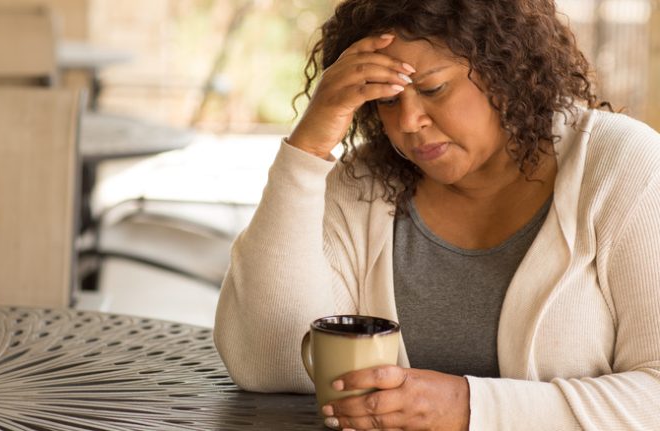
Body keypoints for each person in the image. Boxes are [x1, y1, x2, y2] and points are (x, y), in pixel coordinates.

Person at [213, 0, 660, 429]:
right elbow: (268, 363)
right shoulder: (362, 185)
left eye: (433, 89)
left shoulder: (620, 167)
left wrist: (468, 409)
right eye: (386, 99)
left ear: (505, 70)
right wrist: (308, 148)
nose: (408, 121)